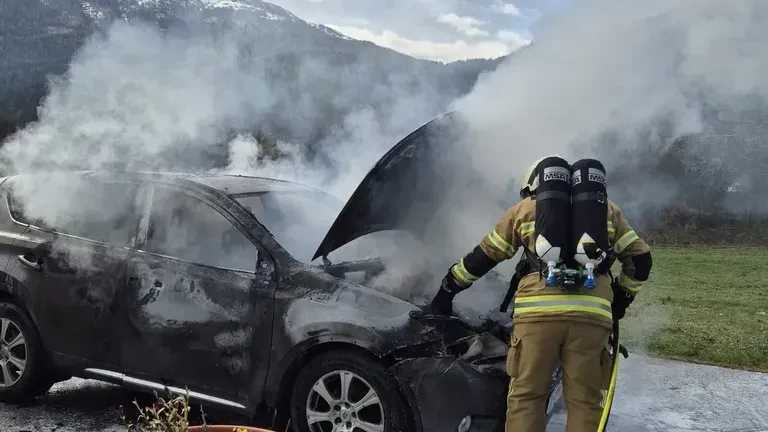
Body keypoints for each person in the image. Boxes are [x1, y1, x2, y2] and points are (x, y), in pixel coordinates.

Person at [428, 156, 652, 432]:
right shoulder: (607, 210)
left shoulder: (523, 210)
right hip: (591, 317)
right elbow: (641, 259)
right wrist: (621, 299)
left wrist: (448, 288)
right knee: (585, 402)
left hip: (536, 318)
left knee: (527, 398)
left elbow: (484, 257)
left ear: (532, 186)